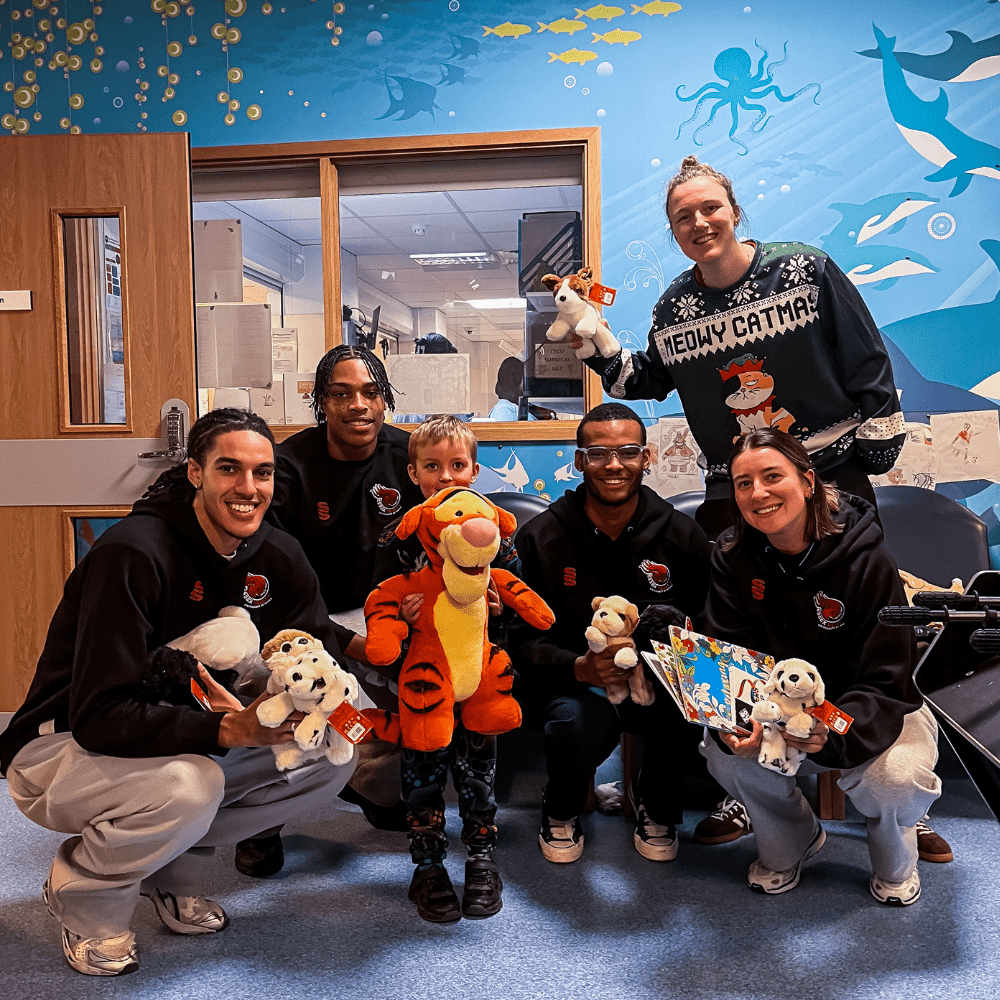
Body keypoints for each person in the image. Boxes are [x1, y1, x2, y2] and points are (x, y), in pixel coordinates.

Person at [578, 155, 953, 857]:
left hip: (831, 473)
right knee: (747, 631)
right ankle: (750, 785)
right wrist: (596, 338)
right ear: (672, 229)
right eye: (683, 216)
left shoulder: (805, 270)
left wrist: (879, 433)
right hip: (736, 486)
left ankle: (899, 792)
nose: (699, 222)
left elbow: (864, 350)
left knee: (868, 626)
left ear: (734, 209)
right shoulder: (675, 307)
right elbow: (644, 378)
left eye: (709, 207)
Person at [0, 409, 370, 977]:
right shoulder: (133, 554)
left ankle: (171, 876)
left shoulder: (278, 555)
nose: (248, 488)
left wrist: (345, 710)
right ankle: (84, 895)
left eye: (263, 473)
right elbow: (99, 715)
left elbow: (317, 648)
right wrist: (227, 729)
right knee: (194, 782)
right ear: (195, 472)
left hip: (184, 741)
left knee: (329, 750)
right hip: (63, 745)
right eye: (229, 469)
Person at [700, 429, 942, 905]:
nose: (758, 493)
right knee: (723, 749)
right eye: (744, 483)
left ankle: (895, 857)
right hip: (779, 711)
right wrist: (739, 718)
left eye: (773, 477)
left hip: (871, 708)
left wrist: (829, 724)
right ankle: (793, 839)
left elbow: (888, 677)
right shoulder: (731, 557)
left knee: (897, 779)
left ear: (808, 482)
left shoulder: (868, 558)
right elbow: (727, 654)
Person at [514, 402, 712, 863]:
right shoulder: (540, 537)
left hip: (657, 680)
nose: (614, 465)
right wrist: (579, 668)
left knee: (680, 714)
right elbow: (521, 641)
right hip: (572, 679)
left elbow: (704, 627)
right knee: (575, 723)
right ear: (579, 461)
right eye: (598, 453)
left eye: (627, 452)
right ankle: (560, 810)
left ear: (647, 457)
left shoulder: (683, 537)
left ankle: (655, 807)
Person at [261, 345, 424, 859]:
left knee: (427, 686)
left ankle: (372, 785)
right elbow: (275, 584)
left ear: (385, 399)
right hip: (302, 616)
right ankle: (260, 825)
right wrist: (354, 646)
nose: (358, 405)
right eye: (341, 394)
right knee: (277, 689)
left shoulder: (409, 456)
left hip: (383, 610)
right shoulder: (288, 466)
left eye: (370, 392)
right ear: (322, 403)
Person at [371, 415, 513, 922]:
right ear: (413, 473)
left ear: (474, 470)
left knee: (477, 777)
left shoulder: (494, 531)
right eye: (432, 467)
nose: (445, 476)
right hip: (423, 682)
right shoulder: (399, 535)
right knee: (423, 776)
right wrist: (403, 618)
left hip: (477, 681)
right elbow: (379, 602)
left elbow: (516, 594)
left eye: (457, 465)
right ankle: (427, 866)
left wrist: (499, 609)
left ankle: (481, 859)